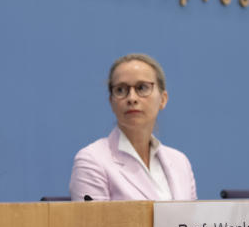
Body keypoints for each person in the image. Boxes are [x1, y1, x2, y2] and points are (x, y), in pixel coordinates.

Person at [69, 53, 196, 201]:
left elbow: (191, 223)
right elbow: (94, 224)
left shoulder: (181, 162)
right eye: (121, 90)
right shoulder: (92, 160)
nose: (132, 98)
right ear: (111, 101)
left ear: (163, 99)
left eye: (142, 88)